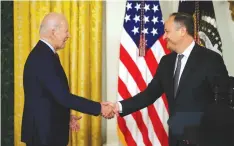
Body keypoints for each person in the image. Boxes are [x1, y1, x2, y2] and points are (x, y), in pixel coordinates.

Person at [104, 12, 229, 146]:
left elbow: (223, 101)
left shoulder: (210, 59)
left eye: (167, 31)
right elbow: (149, 94)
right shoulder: (166, 62)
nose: (164, 36)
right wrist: (118, 106)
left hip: (204, 140)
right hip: (175, 139)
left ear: (182, 31)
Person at [21, 12, 114, 146]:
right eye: (66, 31)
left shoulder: (45, 54)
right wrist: (99, 108)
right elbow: (64, 97)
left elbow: (48, 96)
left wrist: (65, 117)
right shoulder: (43, 58)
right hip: (43, 136)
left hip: (46, 132)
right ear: (53, 32)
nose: (68, 35)